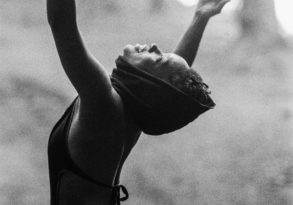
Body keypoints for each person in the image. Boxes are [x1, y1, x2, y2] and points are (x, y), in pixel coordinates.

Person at [47, 0, 230, 204]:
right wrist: (200, 17)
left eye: (159, 58)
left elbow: (61, 22)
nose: (155, 47)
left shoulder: (104, 104)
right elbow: (171, 79)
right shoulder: (139, 108)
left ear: (150, 85)